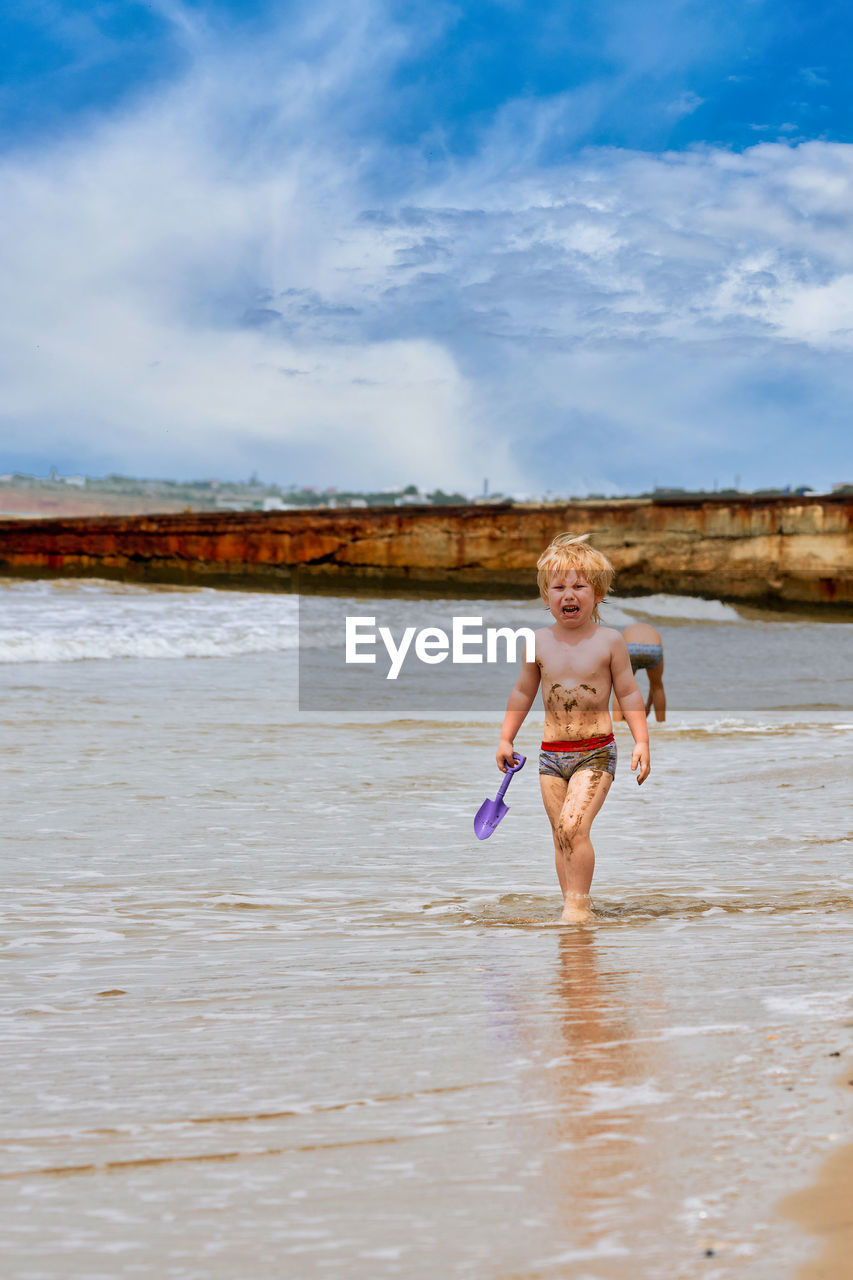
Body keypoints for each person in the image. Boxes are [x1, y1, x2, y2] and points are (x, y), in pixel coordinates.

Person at [496, 533, 650, 924]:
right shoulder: (537, 642)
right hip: (552, 756)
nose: (569, 593)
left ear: (597, 594)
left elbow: (630, 693)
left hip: (596, 752)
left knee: (572, 826)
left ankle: (578, 908)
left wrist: (641, 742)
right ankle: (573, 904)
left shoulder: (610, 642)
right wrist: (506, 737)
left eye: (579, 585)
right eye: (558, 586)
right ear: (546, 596)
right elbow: (522, 691)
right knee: (561, 836)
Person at [612, 623, 666, 723]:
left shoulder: (628, 630)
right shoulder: (652, 630)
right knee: (657, 686)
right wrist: (648, 706)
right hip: (653, 649)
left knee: (620, 688)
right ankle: (661, 724)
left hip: (630, 648)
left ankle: (617, 725)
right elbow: (654, 687)